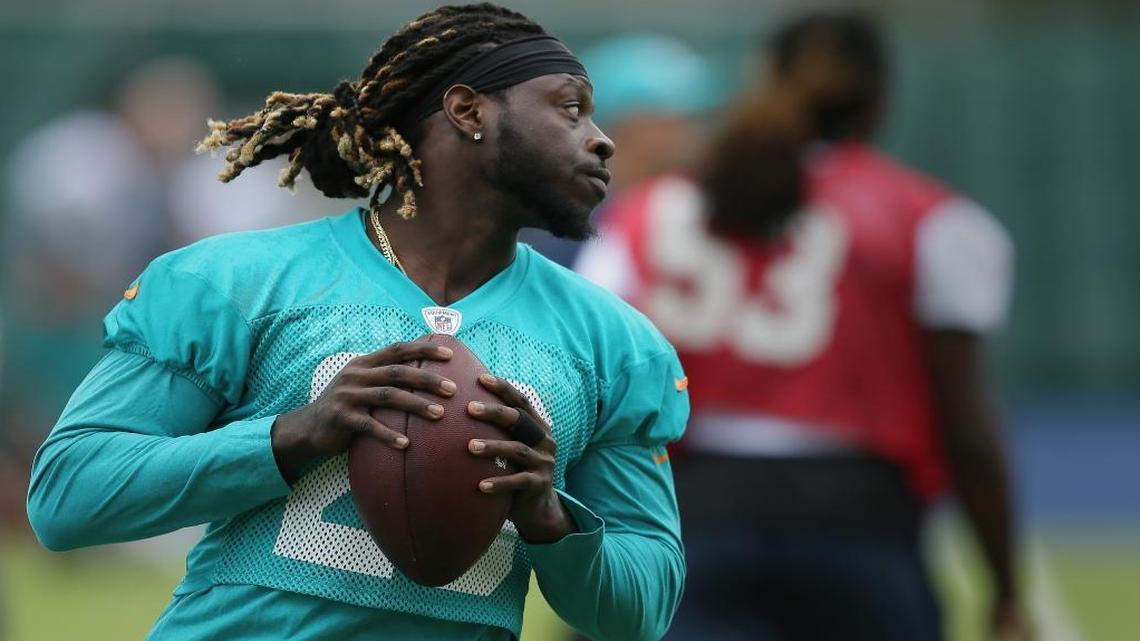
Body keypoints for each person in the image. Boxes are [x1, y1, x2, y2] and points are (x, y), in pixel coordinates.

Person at [26, 4, 688, 641]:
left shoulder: (616, 344)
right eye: (570, 109)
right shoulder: (240, 283)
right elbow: (69, 494)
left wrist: (552, 517)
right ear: (467, 111)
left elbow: (642, 610)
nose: (601, 139)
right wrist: (290, 436)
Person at [576, 11, 1032, 641]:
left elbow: (596, 393)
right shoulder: (934, 221)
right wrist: (1007, 589)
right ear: (878, 102)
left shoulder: (647, 214)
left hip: (690, 515)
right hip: (859, 523)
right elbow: (967, 429)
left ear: (762, 85)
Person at [520, 33, 716, 266]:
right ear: (629, 125)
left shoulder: (687, 207)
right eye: (676, 119)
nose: (694, 130)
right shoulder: (564, 229)